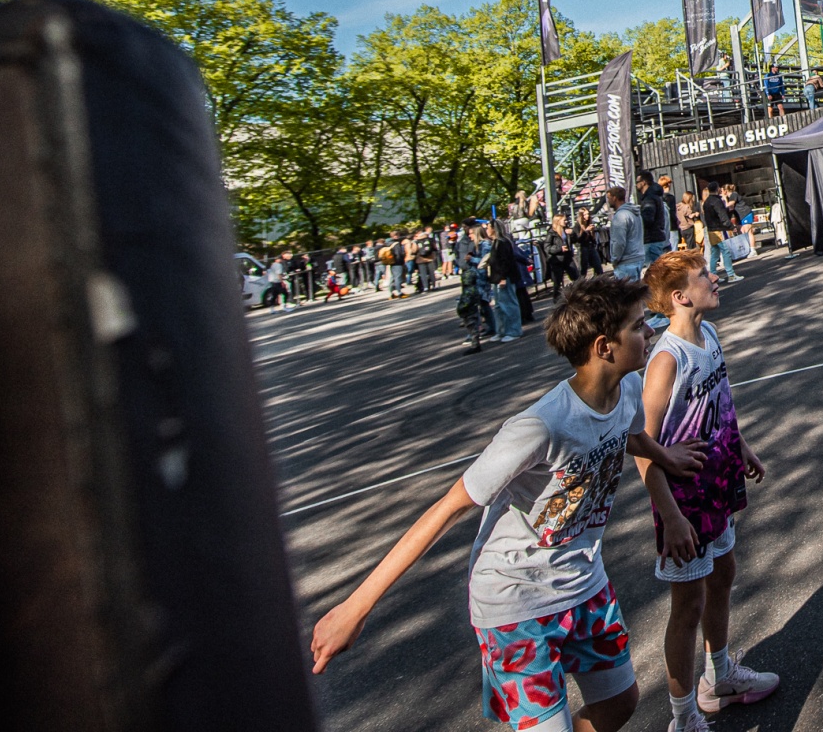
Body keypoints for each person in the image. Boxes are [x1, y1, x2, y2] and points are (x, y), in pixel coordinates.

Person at [307, 276, 709, 732]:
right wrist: (355, 607)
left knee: (620, 704)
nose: (651, 330)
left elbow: (630, 433)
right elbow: (448, 508)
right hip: (515, 602)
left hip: (584, 583)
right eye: (637, 326)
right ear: (604, 347)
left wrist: (665, 457)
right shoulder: (540, 426)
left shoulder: (628, 389)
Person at [637, 251, 780, 730]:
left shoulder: (710, 334)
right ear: (680, 297)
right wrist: (671, 516)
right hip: (684, 501)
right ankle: (683, 718)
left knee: (724, 573)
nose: (714, 277)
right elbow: (643, 448)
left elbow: (721, 403)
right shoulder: (666, 359)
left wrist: (742, 447)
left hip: (718, 481)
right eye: (704, 275)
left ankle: (720, 677)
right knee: (688, 606)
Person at [487, 224, 525, 342]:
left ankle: (514, 331)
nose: (486, 230)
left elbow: (505, 261)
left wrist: (503, 277)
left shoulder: (502, 243)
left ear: (494, 229)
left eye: (488, 227)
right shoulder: (496, 242)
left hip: (504, 277)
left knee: (508, 304)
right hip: (497, 277)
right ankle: (501, 330)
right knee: (499, 306)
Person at [636, 172, 674, 271]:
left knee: (655, 272)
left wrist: (638, 220)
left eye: (637, 182)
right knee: (660, 271)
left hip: (651, 239)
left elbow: (648, 219)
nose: (636, 185)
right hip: (658, 238)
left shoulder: (649, 198)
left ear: (643, 182)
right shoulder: (655, 196)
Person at [701, 184, 736, 282]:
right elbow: (722, 215)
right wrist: (731, 226)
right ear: (718, 189)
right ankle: (731, 274)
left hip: (710, 229)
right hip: (719, 229)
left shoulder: (706, 201)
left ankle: (713, 276)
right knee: (726, 251)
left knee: (715, 252)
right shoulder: (717, 201)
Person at [607, 185, 643, 280]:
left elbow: (619, 242)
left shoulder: (620, 216)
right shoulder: (635, 213)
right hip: (638, 257)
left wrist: (615, 259)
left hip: (626, 262)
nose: (608, 201)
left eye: (609, 198)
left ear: (614, 198)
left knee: (627, 289)